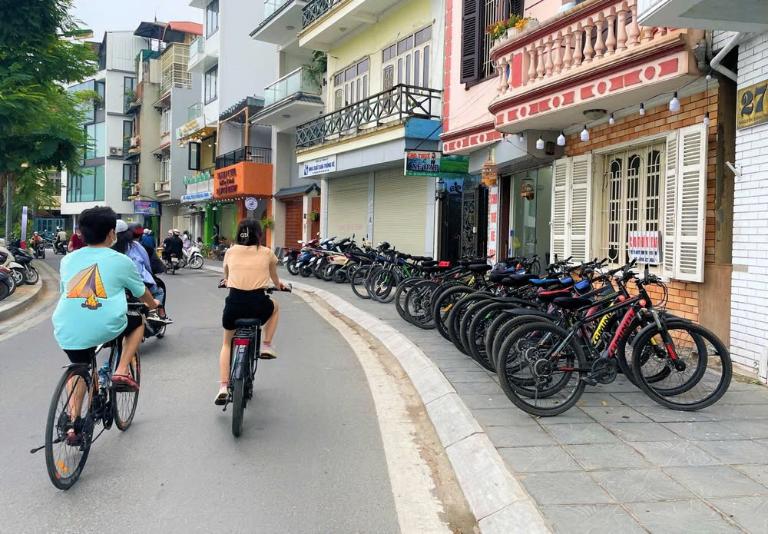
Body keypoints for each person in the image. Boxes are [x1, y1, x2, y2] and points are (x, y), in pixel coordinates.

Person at [52, 207, 160, 443]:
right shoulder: (121, 261)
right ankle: (121, 370)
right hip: (107, 325)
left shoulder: (68, 260)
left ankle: (72, 423)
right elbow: (142, 293)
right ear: (112, 233)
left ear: (80, 233)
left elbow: (66, 291)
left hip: (66, 326)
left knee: (79, 365)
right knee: (137, 321)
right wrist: (155, 306)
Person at [215, 219, 286, 405]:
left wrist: (228, 280)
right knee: (276, 306)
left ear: (239, 233)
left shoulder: (230, 252)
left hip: (234, 305)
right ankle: (267, 344)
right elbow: (274, 278)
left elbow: (227, 275)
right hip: (258, 305)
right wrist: (279, 286)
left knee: (226, 343)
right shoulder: (267, 253)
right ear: (259, 234)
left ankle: (223, 386)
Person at [114, 223, 171, 323]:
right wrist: (150, 274)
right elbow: (147, 263)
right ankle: (156, 312)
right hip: (137, 282)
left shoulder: (106, 248)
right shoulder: (136, 246)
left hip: (115, 285)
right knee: (159, 291)